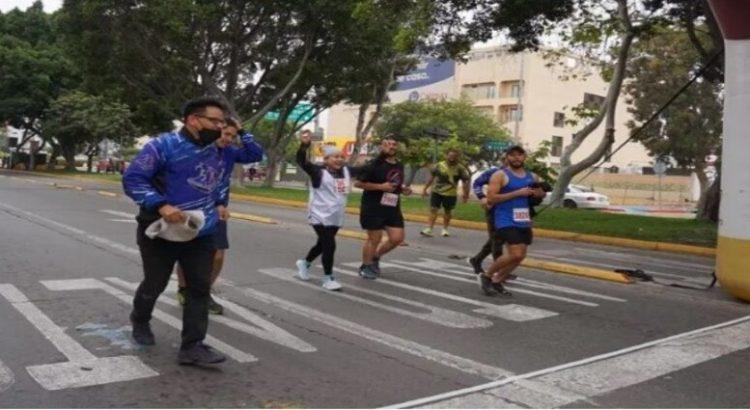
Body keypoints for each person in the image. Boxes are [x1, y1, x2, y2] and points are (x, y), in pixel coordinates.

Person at [122, 96, 229, 365]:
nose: (219, 127)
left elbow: (214, 183)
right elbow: (133, 179)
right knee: (155, 283)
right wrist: (160, 205)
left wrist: (218, 203)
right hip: (161, 230)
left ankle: (192, 346)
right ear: (194, 120)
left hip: (199, 231)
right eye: (214, 121)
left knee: (199, 288)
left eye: (222, 122)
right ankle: (140, 319)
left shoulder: (215, 151)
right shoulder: (162, 146)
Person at [175, 117, 264, 314]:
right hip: (193, 208)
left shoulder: (230, 153)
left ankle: (203, 292)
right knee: (186, 253)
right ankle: (183, 288)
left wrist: (242, 131)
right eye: (226, 134)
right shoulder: (199, 149)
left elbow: (256, 153)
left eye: (233, 136)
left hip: (218, 211)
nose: (229, 139)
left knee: (218, 255)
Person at [294, 130, 359, 291]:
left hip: (336, 216)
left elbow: (369, 169)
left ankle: (305, 262)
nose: (339, 160)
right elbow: (302, 161)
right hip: (318, 215)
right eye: (335, 157)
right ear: (326, 159)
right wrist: (304, 145)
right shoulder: (318, 172)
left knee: (322, 244)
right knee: (329, 244)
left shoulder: (345, 172)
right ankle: (328, 278)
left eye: (341, 157)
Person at [478, 145, 546, 296]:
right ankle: (487, 276)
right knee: (515, 253)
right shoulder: (500, 175)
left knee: (521, 256)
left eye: (520, 155)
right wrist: (518, 193)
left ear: (524, 157)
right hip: (504, 218)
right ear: (507, 157)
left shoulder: (532, 176)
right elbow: (491, 198)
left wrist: (539, 194)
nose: (516, 158)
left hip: (523, 218)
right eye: (513, 155)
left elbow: (538, 196)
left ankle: (497, 281)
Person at [355, 135, 413, 279]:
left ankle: (375, 257)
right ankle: (365, 266)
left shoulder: (399, 165)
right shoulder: (373, 163)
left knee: (397, 238)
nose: (391, 147)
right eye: (388, 144)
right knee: (374, 238)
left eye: (394, 144)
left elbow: (394, 183)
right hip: (373, 207)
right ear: (382, 146)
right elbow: (359, 183)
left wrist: (403, 188)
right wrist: (380, 187)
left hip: (392, 207)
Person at [420, 148, 471, 237]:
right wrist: (425, 189)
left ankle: (445, 229)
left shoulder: (460, 168)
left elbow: (465, 182)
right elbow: (431, 178)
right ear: (446, 156)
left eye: (454, 156)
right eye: (450, 156)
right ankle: (429, 229)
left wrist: (465, 195)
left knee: (448, 211)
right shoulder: (439, 165)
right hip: (437, 191)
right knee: (433, 209)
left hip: (450, 193)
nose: (452, 158)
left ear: (457, 157)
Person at [467, 162, 504, 276]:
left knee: (498, 238)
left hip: (510, 211)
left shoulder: (520, 175)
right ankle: (499, 270)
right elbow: (477, 183)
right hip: (494, 209)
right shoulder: (495, 172)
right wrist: (482, 198)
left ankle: (476, 260)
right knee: (497, 240)